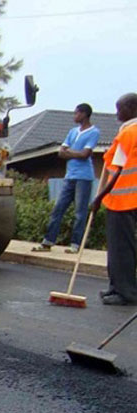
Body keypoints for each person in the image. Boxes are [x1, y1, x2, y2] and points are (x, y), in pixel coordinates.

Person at [32, 104, 100, 254]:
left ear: (84, 114)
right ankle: (48, 241)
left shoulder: (93, 132)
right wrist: (74, 152)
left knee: (80, 212)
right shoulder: (72, 131)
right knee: (58, 209)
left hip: (84, 177)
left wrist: (70, 152)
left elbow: (85, 154)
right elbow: (61, 153)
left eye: (76, 114)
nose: (74, 116)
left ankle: (75, 244)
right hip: (69, 176)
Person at [90, 93, 137, 305]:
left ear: (132, 108)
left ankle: (124, 292)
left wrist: (99, 196)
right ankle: (116, 286)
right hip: (129, 199)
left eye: (120, 108)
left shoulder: (129, 133)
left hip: (123, 199)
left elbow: (117, 171)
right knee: (125, 246)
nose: (117, 113)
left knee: (120, 248)